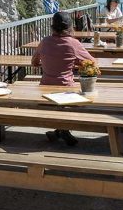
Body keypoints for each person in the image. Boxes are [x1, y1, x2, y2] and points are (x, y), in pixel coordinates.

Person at [30, 11, 93, 145]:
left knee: (57, 104)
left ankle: (59, 131)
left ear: (52, 26)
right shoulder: (73, 43)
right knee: (85, 95)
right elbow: (92, 62)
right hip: (66, 91)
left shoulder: (45, 42)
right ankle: (62, 131)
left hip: (44, 91)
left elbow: (34, 62)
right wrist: (74, 61)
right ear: (70, 27)